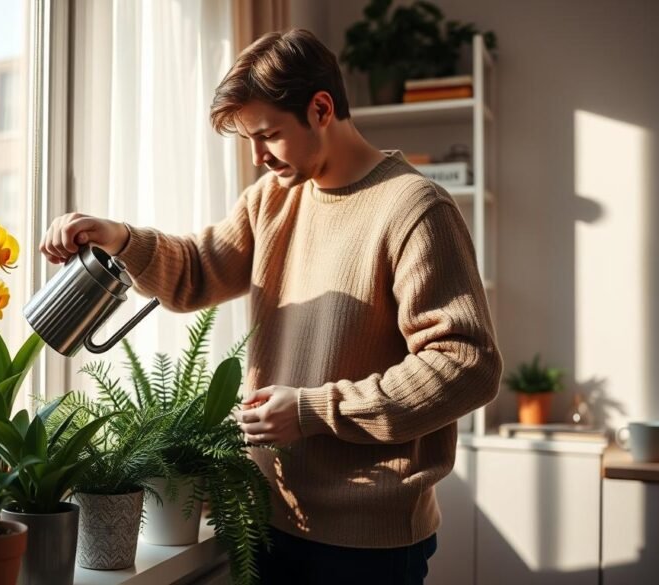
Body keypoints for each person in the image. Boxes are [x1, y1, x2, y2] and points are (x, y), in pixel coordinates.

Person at [39, 29, 502, 584]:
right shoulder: (271, 199)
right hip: (266, 519)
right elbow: (195, 271)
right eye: (249, 141)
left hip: (367, 545)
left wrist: (313, 410)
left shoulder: (414, 209)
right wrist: (118, 236)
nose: (258, 157)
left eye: (269, 135)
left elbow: (465, 364)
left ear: (321, 108)